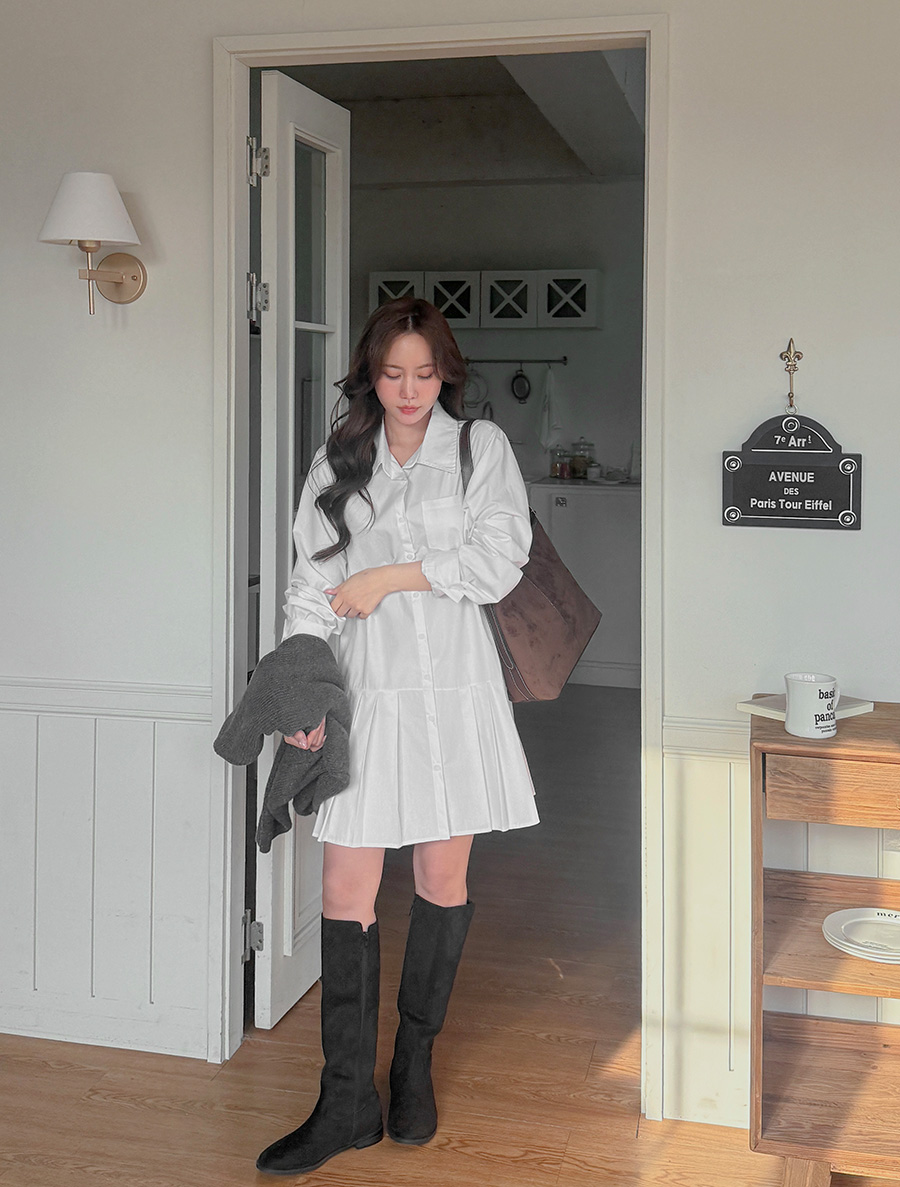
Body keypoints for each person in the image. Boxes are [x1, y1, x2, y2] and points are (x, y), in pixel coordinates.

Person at [255, 297, 539, 1176]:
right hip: (367, 697)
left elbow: (500, 559)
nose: (409, 390)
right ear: (370, 376)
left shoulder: (479, 449)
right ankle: (346, 1099)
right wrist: (304, 688)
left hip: (454, 698)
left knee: (440, 880)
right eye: (392, 374)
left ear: (444, 372)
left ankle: (412, 1061)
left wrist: (389, 576)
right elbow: (310, 584)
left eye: (424, 373)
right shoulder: (339, 459)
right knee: (346, 888)